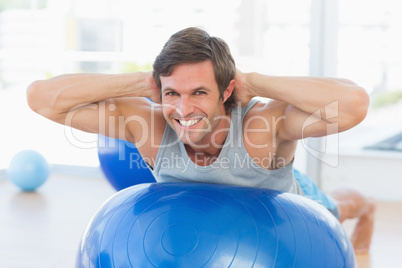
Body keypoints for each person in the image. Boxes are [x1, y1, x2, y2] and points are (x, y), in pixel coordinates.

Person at [27, 27, 375, 254]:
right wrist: (138, 84)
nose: (182, 109)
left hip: (284, 208)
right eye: (172, 92)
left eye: (199, 92)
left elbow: (354, 105)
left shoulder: (259, 128)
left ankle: (367, 208)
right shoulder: (151, 126)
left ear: (226, 90)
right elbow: (41, 98)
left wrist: (256, 82)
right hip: (199, 230)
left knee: (336, 208)